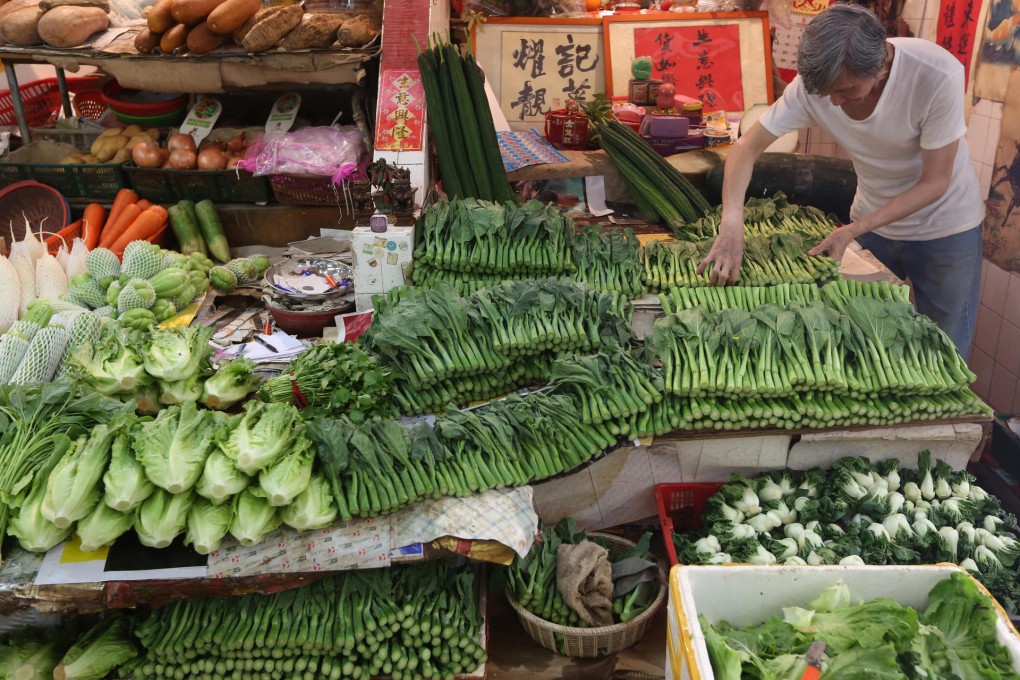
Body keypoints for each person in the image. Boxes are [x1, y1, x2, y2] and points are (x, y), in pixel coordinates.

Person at [697, 3, 985, 359]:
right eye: (826, 93)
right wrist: (731, 223)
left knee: (946, 346)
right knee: (862, 339)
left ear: (880, 66)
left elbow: (935, 182)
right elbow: (745, 149)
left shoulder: (935, 74)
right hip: (873, 220)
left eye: (846, 91)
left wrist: (852, 229)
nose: (834, 101)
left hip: (946, 228)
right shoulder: (812, 88)